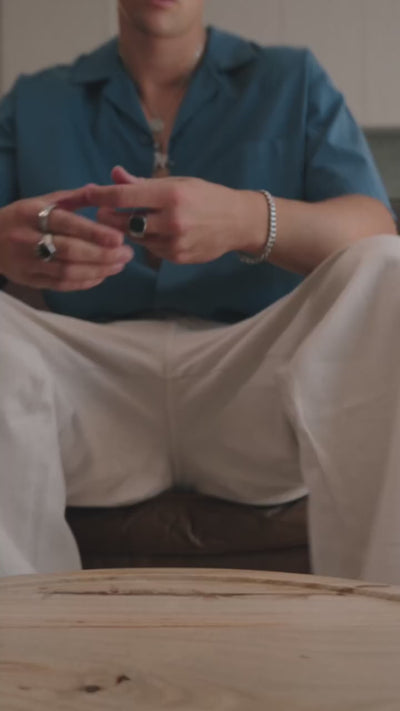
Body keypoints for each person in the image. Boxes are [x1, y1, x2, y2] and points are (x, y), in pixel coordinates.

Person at [0, 0, 399, 583]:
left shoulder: (291, 78)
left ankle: (379, 626)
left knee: (389, 269)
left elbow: (377, 232)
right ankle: (18, 632)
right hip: (83, 388)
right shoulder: (36, 99)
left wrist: (247, 219)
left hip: (256, 383)